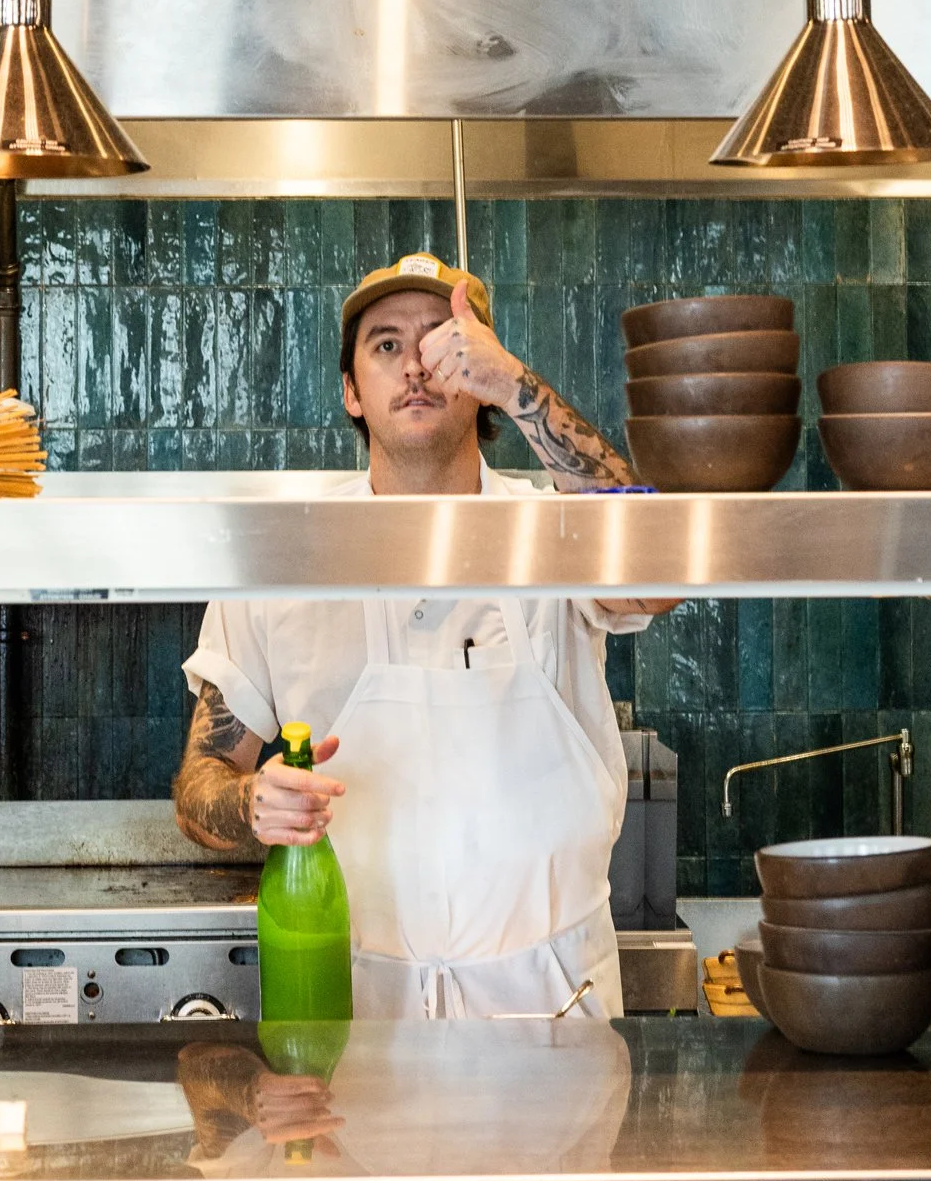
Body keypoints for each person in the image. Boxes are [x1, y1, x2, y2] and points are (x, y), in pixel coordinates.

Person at [174, 251, 669, 1019]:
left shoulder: (557, 529)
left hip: (553, 1005)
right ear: (350, 392)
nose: (415, 365)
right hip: (352, 1010)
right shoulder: (286, 555)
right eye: (385, 345)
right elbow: (200, 782)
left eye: (442, 340)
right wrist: (251, 802)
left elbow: (660, 571)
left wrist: (517, 386)